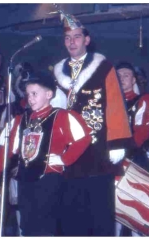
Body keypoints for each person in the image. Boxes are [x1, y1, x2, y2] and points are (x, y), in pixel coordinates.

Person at [53, 9, 132, 236]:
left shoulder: (103, 67)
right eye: (67, 38)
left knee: (99, 211)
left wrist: (117, 141)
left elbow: (115, 103)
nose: (72, 42)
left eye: (77, 37)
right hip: (70, 150)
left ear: (86, 40)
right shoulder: (59, 71)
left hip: (98, 149)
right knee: (71, 210)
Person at [0, 72, 92, 236]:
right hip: (25, 178)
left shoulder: (61, 116)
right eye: (28, 95)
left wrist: (64, 159)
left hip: (49, 177)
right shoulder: (21, 119)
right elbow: (9, 148)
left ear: (49, 94)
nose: (30, 98)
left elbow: (84, 139)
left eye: (35, 94)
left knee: (45, 225)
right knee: (27, 224)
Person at [115, 61, 149, 236]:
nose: (122, 79)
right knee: (114, 214)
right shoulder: (109, 103)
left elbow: (143, 129)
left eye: (126, 75)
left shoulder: (142, 100)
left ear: (134, 79)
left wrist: (125, 149)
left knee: (136, 214)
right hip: (111, 162)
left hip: (134, 160)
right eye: (118, 75)